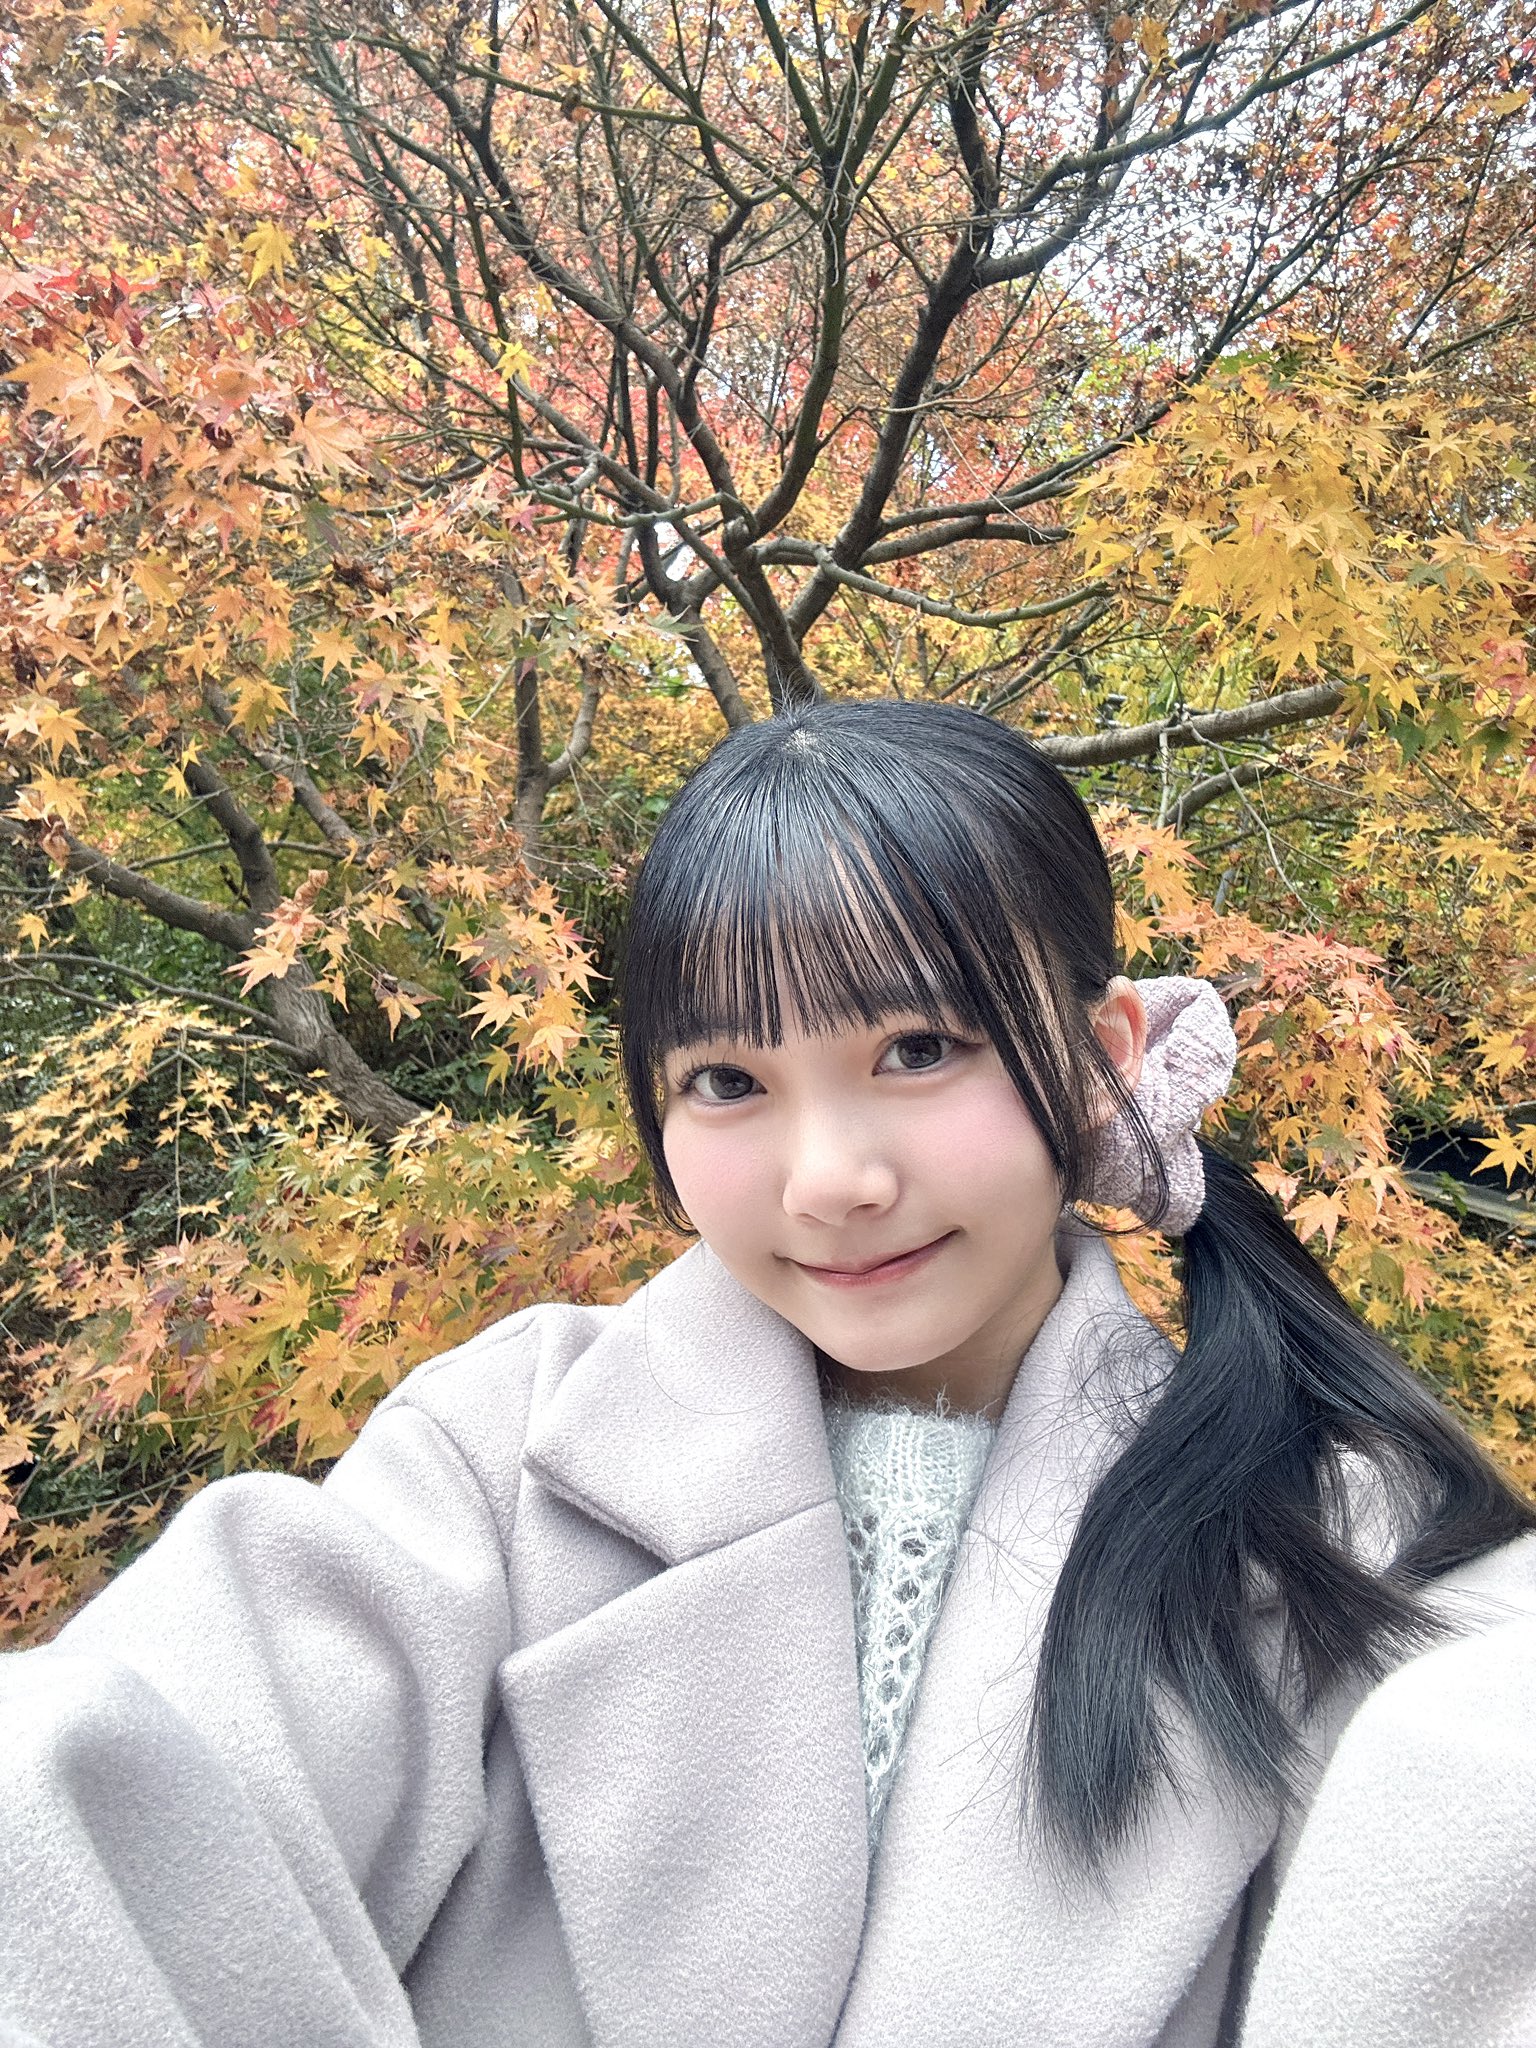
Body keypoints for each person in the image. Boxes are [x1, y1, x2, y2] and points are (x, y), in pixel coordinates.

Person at [2, 697, 1534, 2048]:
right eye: (729, 1081)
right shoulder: (494, 1466)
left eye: (919, 1049)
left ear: (1104, 1056)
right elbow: (107, 1792)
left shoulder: (1333, 1533)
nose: (828, 1180)